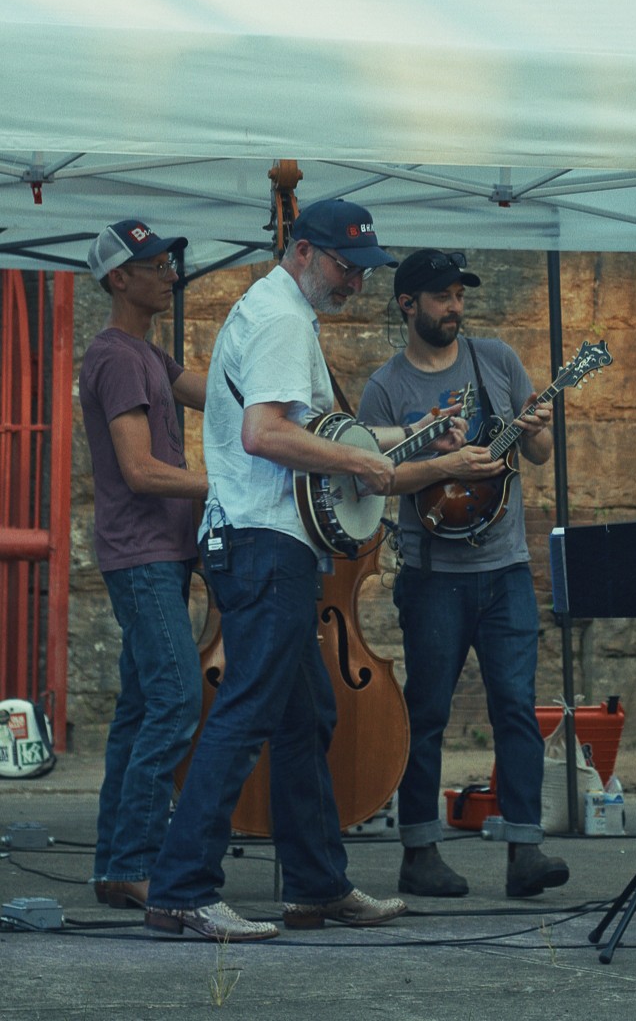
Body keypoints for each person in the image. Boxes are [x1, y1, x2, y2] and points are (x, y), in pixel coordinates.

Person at [145, 200, 451, 942]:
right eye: (347, 268)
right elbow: (266, 432)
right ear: (305, 251)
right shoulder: (282, 319)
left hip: (260, 543)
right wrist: (364, 464)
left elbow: (321, 428)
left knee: (305, 714)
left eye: (363, 271)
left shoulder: (277, 311)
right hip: (266, 544)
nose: (355, 284)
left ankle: (316, 886)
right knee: (248, 712)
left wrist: (407, 436)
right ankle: (183, 889)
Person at [356, 248, 570, 900]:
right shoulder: (387, 385)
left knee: (515, 707)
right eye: (443, 296)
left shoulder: (498, 360)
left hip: (503, 568)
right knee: (426, 711)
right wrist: (433, 451)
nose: (455, 306)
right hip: (431, 572)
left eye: (459, 295)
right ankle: (419, 852)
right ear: (407, 305)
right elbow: (367, 461)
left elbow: (536, 453)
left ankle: (524, 850)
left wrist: (535, 428)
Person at [79, 220, 206, 911]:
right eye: (154, 265)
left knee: (137, 712)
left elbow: (221, 396)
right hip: (144, 557)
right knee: (178, 701)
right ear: (117, 279)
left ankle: (113, 866)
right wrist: (222, 487)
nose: (170, 274)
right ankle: (133, 861)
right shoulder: (119, 358)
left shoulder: (149, 355)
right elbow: (138, 470)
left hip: (160, 555)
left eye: (168, 262)